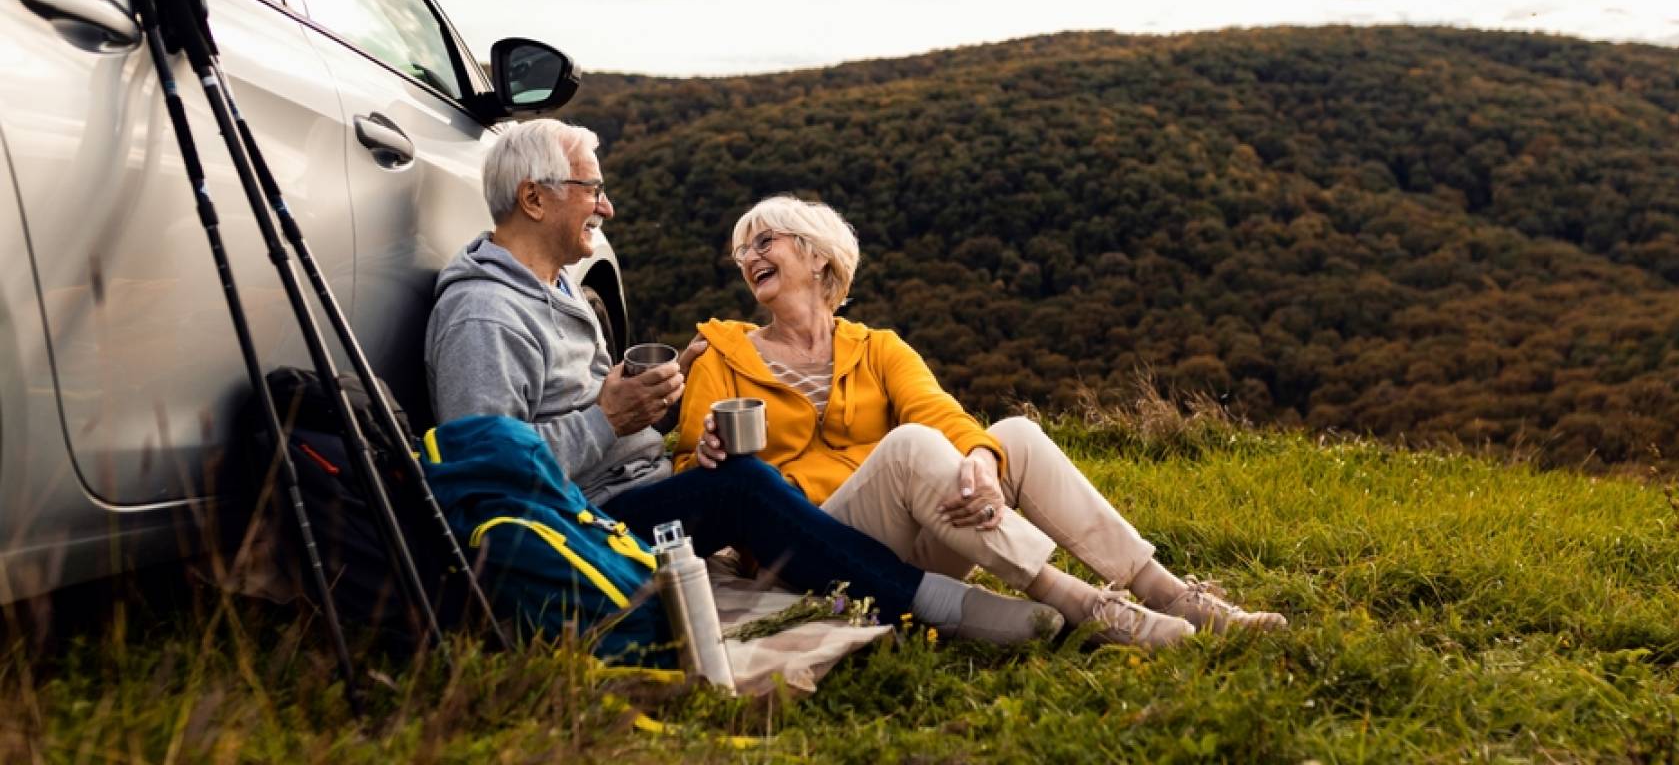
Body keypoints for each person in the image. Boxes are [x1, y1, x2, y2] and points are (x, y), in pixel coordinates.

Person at [424, 120, 1058, 644]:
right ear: (535, 199)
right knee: (744, 485)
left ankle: (993, 594)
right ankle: (942, 608)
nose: (607, 207)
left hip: (634, 492)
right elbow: (489, 486)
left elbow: (593, 419)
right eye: (593, 189)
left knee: (743, 482)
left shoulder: (560, 290)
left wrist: (655, 404)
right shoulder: (484, 315)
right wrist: (607, 420)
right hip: (585, 522)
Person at [675, 195, 1287, 649]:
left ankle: (1169, 592)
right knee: (912, 446)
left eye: (763, 242)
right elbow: (691, 475)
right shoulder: (720, 353)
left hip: (914, 534)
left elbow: (942, 412)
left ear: (815, 255)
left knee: (1013, 434)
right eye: (741, 252)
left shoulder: (876, 347)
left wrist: (984, 462)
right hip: (807, 549)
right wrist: (706, 456)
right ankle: (1089, 606)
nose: (748, 258)